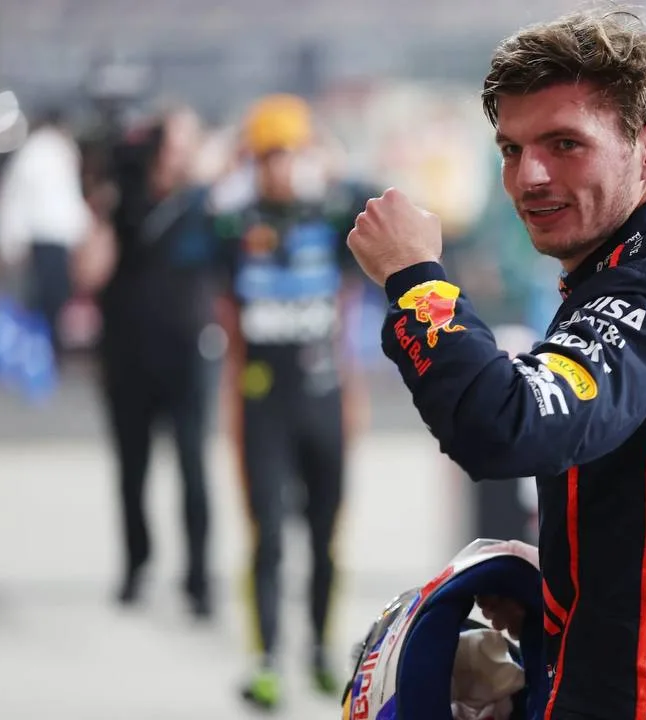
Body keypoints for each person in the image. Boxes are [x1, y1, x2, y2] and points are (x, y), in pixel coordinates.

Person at [348, 10, 646, 719]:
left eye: (565, 144)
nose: (530, 176)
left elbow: (503, 426)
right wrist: (576, 587)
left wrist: (414, 279)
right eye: (512, 149)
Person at [186, 94, 374, 710]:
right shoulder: (232, 226)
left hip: (324, 398)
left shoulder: (333, 215)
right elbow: (188, 235)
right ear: (252, 161)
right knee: (266, 536)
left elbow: (380, 202)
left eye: (291, 153)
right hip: (262, 403)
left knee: (324, 538)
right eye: (268, 156)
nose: (281, 167)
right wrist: (221, 172)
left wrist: (333, 163)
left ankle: (319, 651)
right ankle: (267, 661)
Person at [70, 107, 216, 617]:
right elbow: (89, 273)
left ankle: (199, 578)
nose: (178, 157)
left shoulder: (203, 204)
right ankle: (136, 565)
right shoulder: (122, 202)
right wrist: (102, 208)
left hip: (186, 354)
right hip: (128, 355)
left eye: (185, 146)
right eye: (171, 146)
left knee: (193, 468)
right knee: (132, 470)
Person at [0, 108, 90, 356]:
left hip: (41, 240)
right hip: (50, 240)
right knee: (49, 303)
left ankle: (42, 353)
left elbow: (14, 199)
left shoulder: (35, 151)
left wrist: (10, 241)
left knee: (42, 304)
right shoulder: (56, 151)